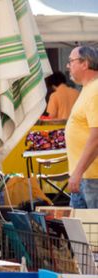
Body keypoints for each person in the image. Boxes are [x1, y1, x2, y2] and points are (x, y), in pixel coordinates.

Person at [65, 46, 98, 208]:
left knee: (92, 231)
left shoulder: (95, 90)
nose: (68, 66)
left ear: (85, 63)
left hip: (92, 178)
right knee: (82, 231)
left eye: (71, 61)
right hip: (86, 178)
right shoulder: (88, 89)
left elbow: (96, 136)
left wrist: (78, 172)